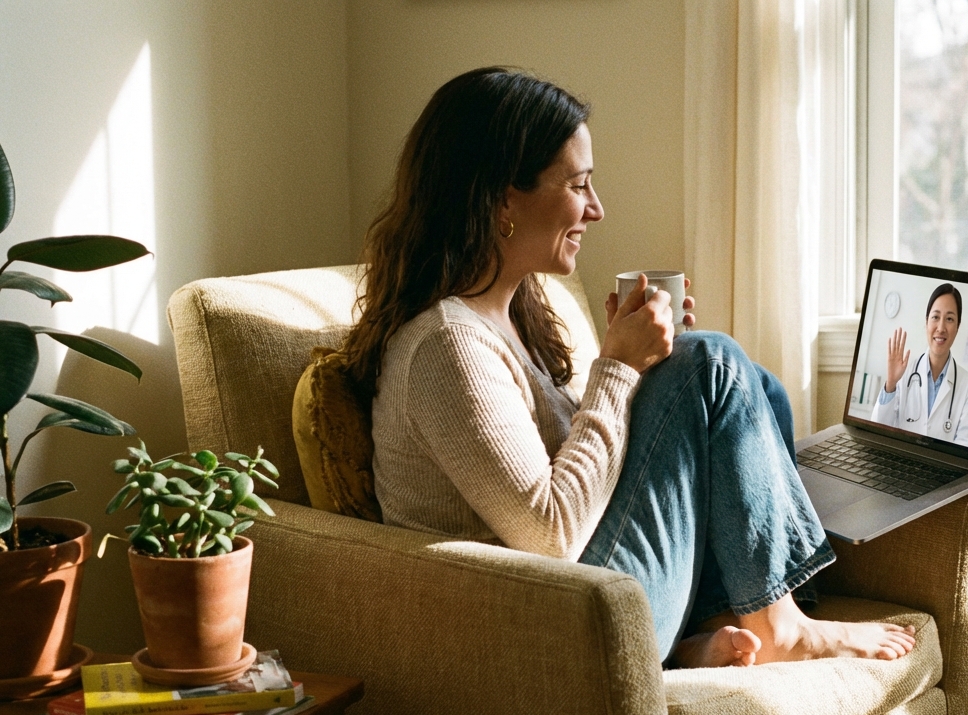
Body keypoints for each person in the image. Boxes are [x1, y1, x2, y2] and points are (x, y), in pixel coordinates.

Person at [340, 67, 914, 668]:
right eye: (578, 185)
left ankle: (729, 617)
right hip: (551, 628)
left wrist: (644, 367)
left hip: (587, 591)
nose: (596, 209)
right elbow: (550, 534)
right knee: (710, 362)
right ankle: (780, 627)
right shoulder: (446, 346)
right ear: (504, 196)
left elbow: (584, 467)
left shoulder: (512, 316)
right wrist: (618, 367)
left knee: (753, 385)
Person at [870, 284, 968, 448]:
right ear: (926, 322)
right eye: (935, 317)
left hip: (942, 465)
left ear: (957, 327)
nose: (941, 328)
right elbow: (877, 431)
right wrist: (891, 383)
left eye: (949, 319)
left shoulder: (967, 384)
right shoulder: (905, 371)